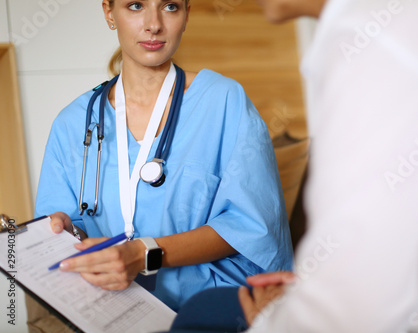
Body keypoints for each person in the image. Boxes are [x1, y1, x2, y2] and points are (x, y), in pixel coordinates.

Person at [236, 0, 418, 332]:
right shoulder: (417, 17)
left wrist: (269, 322)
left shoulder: (376, 46)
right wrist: (321, 280)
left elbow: (353, 309)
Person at [34, 0, 293, 320]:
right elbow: (67, 229)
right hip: (111, 310)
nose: (154, 23)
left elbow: (252, 227)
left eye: (170, 6)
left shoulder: (223, 101)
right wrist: (65, 231)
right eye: (135, 6)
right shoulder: (72, 123)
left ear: (186, 15)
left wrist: (144, 254)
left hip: (208, 308)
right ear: (108, 12)